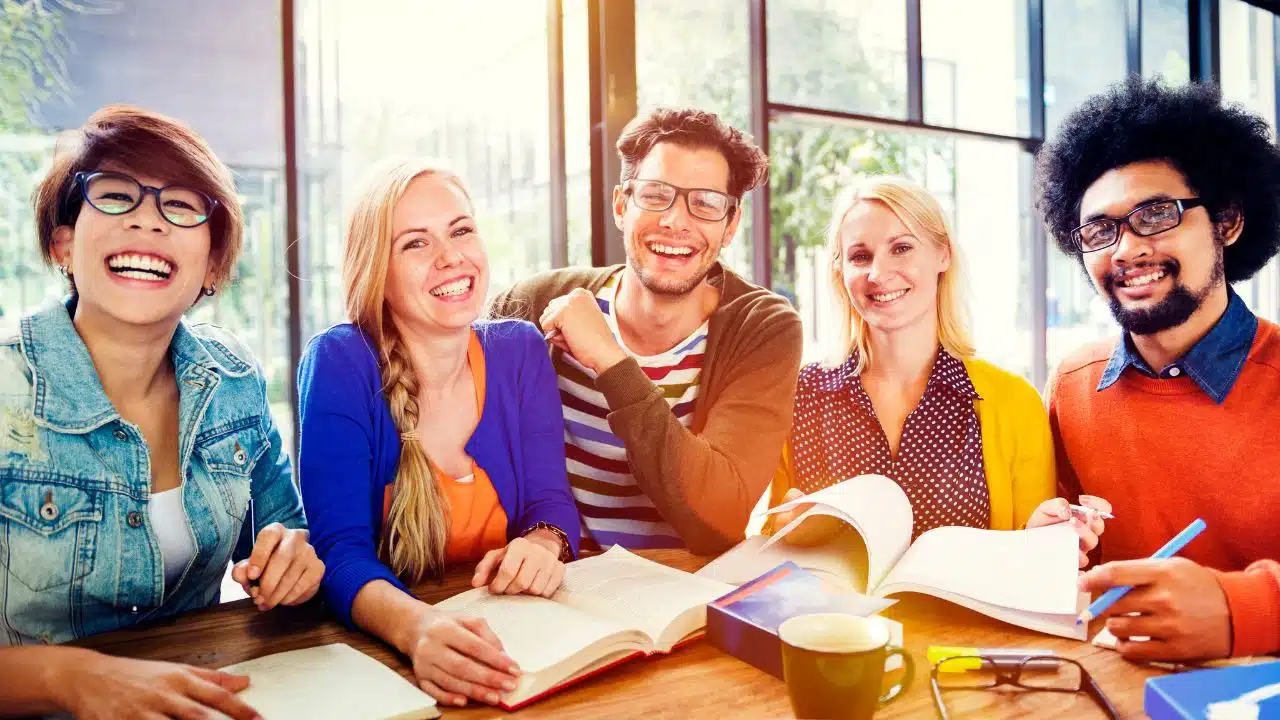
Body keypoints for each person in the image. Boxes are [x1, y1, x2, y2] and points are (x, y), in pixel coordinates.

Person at [0, 104, 322, 720]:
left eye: (180, 205)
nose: (148, 223)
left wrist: (293, 561)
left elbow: (286, 532)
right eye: (117, 197)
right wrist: (70, 678)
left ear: (210, 264)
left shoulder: (233, 378)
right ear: (64, 242)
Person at [298, 159, 581, 708]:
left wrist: (544, 544)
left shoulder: (519, 350)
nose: (451, 257)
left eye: (461, 230)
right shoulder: (339, 362)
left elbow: (551, 500)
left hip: (518, 645)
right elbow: (339, 554)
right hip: (384, 663)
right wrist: (416, 630)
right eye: (415, 244)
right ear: (376, 271)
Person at [1037, 77, 1280, 661]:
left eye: (1155, 214)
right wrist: (1048, 543)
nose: (1126, 250)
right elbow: (1069, 556)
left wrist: (1240, 609)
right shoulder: (1073, 386)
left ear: (1227, 221)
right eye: (1100, 230)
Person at [488, 107, 803, 554]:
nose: (676, 221)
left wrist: (610, 361)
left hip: (680, 597)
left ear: (731, 225)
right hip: (550, 588)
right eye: (656, 195)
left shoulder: (762, 327)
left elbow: (720, 520)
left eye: (707, 203)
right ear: (622, 205)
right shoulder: (532, 305)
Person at [767, 176, 1107, 565]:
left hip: (963, 627)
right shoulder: (798, 394)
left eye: (901, 248)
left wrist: (1047, 543)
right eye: (860, 256)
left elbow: (1030, 557)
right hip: (834, 625)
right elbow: (771, 542)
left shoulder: (1013, 403)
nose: (879, 273)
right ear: (841, 272)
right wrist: (783, 532)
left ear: (942, 254)